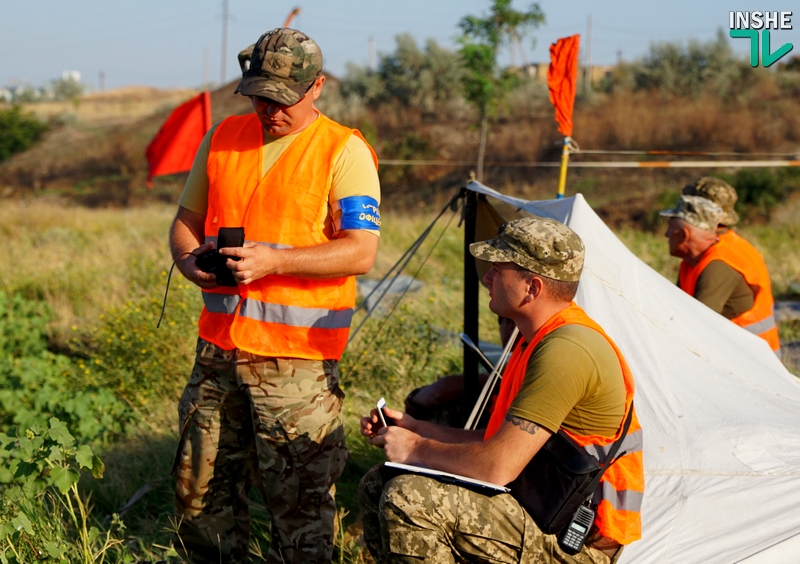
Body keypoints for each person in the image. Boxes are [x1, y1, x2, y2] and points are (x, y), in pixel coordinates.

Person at [168, 28, 380, 563]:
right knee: (199, 500)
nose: (270, 110)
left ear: (317, 88)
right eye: (260, 96)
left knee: (301, 511)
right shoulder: (221, 137)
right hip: (216, 357)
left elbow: (360, 252)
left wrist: (274, 259)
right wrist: (190, 261)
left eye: (283, 98)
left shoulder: (344, 150)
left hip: (298, 369)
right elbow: (185, 222)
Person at [358, 217, 644, 563]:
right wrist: (417, 429)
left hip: (577, 544)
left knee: (410, 497)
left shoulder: (566, 348)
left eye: (498, 270)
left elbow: (498, 466)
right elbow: (494, 443)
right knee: (379, 482)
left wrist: (416, 449)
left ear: (532, 288)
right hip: (545, 512)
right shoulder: (537, 340)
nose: (488, 279)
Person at [660, 193, 781, 357]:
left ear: (684, 235)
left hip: (753, 365)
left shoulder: (717, 268)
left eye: (670, 228)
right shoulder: (692, 261)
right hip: (738, 357)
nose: (666, 234)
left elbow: (697, 328)